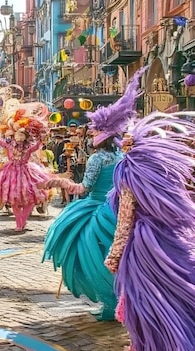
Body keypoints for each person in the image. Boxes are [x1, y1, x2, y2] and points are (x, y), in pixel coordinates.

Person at [41, 67, 145, 321]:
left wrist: (58, 182)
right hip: (120, 210)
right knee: (122, 258)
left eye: (94, 131)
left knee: (89, 258)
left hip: (98, 211)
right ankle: (122, 302)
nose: (91, 134)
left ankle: (110, 304)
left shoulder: (97, 159)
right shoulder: (121, 155)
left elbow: (83, 188)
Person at [104, 112, 195, 351]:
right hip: (173, 241)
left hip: (143, 250)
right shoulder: (168, 176)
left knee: (145, 304)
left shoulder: (128, 176)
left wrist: (114, 257)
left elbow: (125, 221)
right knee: (176, 300)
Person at [0, 103, 51, 232]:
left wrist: (43, 136)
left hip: (27, 173)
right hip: (11, 174)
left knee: (30, 199)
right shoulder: (9, 146)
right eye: (17, 135)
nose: (18, 137)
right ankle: (19, 223)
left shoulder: (28, 148)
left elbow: (38, 145)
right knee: (14, 200)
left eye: (21, 135)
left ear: (26, 137)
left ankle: (23, 220)